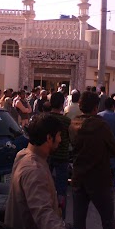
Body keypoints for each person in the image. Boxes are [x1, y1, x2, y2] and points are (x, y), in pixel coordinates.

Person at [4, 113, 97, 229]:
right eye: (59, 135)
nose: (60, 140)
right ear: (49, 138)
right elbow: (44, 216)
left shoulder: (24, 154)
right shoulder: (34, 169)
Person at [69, 91, 115, 229]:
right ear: (96, 107)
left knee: (79, 223)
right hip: (99, 180)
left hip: (79, 179)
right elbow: (114, 150)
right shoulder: (101, 126)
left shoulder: (73, 124)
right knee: (108, 223)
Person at [49, 91, 71, 219]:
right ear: (62, 104)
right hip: (62, 156)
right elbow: (70, 138)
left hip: (47, 156)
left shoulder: (45, 118)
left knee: (45, 185)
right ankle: (61, 217)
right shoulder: (66, 121)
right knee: (61, 189)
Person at [98, 98, 115, 189]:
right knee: (113, 167)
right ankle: (112, 186)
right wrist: (113, 140)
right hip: (113, 145)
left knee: (101, 165)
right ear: (113, 106)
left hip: (101, 145)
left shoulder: (99, 116)